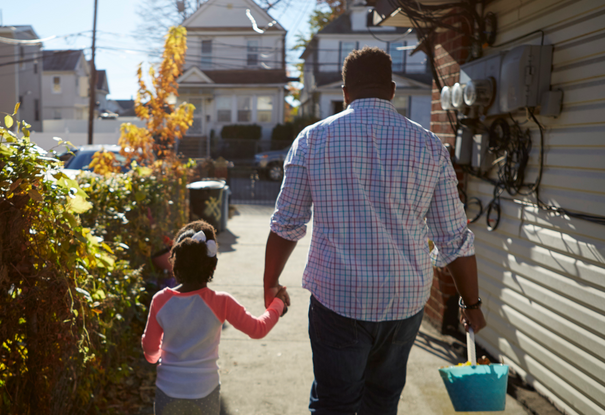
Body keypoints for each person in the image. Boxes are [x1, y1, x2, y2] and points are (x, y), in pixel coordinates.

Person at [263, 47, 486, 415]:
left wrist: (270, 282)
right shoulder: (430, 147)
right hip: (405, 300)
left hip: (339, 299)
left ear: (345, 92)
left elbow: (286, 224)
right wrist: (471, 303)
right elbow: (454, 238)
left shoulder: (313, 140)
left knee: (334, 402)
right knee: (382, 401)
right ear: (393, 90)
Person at [142, 220, 288, 415]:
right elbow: (258, 329)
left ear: (175, 261)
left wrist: (158, 356)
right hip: (205, 393)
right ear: (212, 266)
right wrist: (278, 304)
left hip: (169, 392)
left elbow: (150, 352)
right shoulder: (221, 302)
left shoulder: (160, 301)